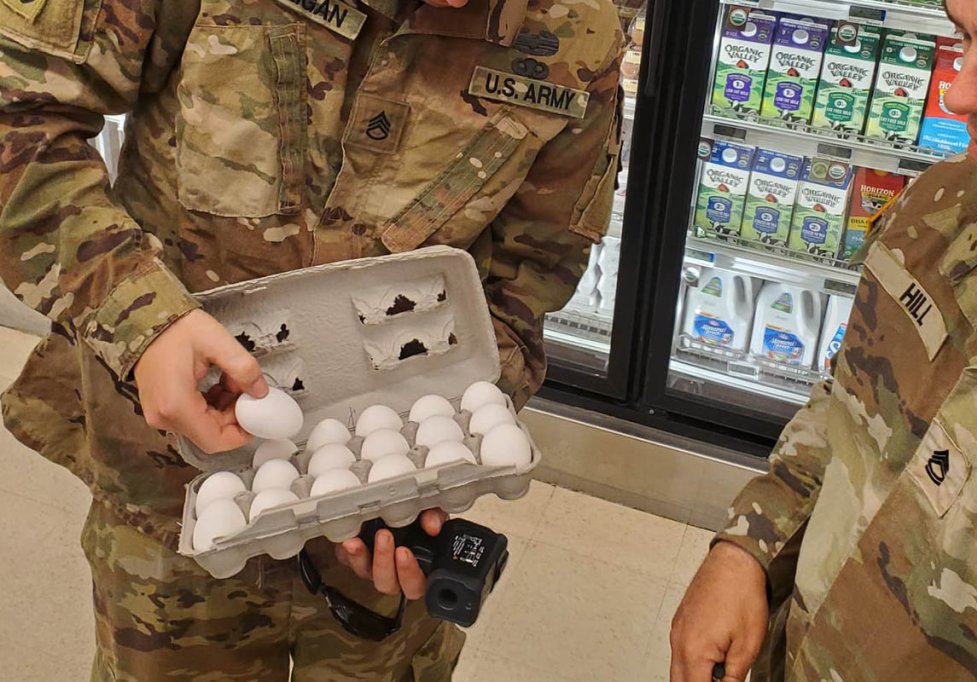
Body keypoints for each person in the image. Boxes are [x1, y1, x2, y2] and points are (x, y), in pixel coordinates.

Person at [0, 0, 623, 678]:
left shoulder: (573, 28)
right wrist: (142, 323)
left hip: (387, 526)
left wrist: (437, 447)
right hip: (174, 491)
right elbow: (16, 120)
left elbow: (530, 270)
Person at [670, 1, 977, 680]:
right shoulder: (944, 207)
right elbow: (853, 402)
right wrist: (749, 547)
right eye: (961, 36)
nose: (959, 93)